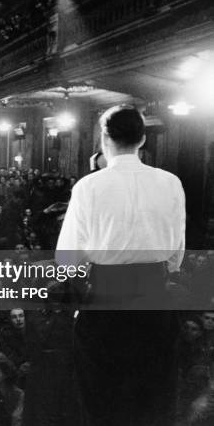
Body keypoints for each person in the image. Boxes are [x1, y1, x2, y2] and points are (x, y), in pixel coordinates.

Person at [56, 105, 186, 426]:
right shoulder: (170, 183)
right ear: (142, 139)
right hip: (155, 306)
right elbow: (175, 255)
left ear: (104, 138)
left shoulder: (89, 187)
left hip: (105, 308)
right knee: (153, 402)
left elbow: (68, 257)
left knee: (102, 401)